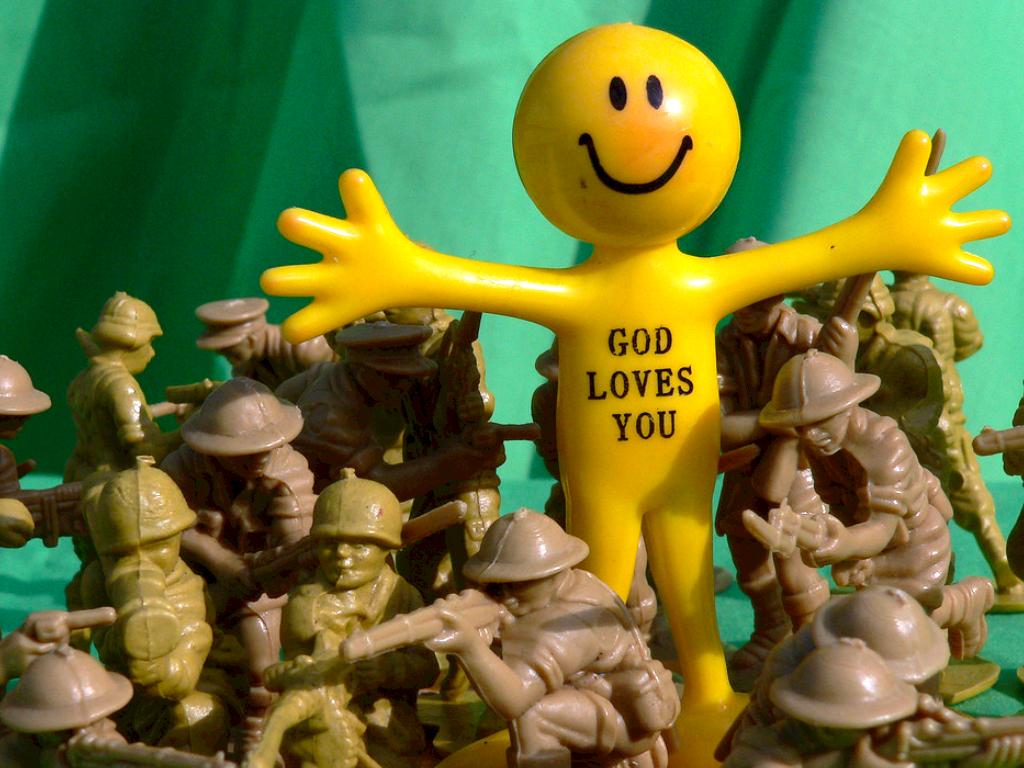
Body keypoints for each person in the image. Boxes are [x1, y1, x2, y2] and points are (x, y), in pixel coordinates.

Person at [424, 509, 679, 768]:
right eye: (494, 584)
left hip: (628, 730)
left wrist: (470, 648)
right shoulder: (572, 585)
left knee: (534, 715)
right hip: (602, 708)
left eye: (519, 583)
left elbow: (514, 700)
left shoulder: (566, 625)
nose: (504, 596)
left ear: (553, 574)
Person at [161, 376, 316, 748]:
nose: (259, 457)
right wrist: (217, 558)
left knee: (262, 667)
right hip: (189, 578)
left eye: (266, 448)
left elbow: (293, 550)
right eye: (244, 451)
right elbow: (160, 520)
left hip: (260, 590)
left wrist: (259, 571)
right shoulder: (184, 464)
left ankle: (255, 735)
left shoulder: (289, 475)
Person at [249, 470, 438, 768]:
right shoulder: (307, 601)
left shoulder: (400, 595)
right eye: (330, 544)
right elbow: (305, 669)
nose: (342, 555)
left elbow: (427, 668)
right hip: (321, 710)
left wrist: (387, 669)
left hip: (384, 712)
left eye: (359, 545)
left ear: (385, 547)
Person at [196, 297, 335, 391]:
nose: (221, 353)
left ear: (250, 341)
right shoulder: (247, 366)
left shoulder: (305, 348)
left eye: (229, 350)